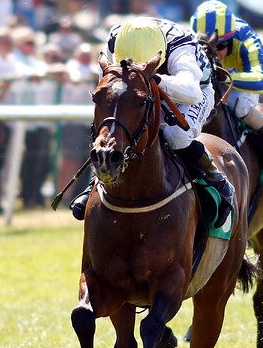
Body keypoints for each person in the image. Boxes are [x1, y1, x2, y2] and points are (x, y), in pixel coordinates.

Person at [69, 16, 232, 225]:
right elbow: (108, 80)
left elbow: (191, 92)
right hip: (142, 88)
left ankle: (218, 181)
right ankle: (96, 180)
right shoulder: (115, 38)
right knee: (115, 129)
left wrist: (154, 78)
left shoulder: (180, 46)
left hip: (193, 91)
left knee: (175, 136)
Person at [190, 0, 263, 189]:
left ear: (231, 37)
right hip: (217, 75)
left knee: (239, 105)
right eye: (207, 46)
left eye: (220, 46)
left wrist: (225, 77)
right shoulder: (190, 39)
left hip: (245, 73)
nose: (215, 52)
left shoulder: (246, 38)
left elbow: (260, 80)